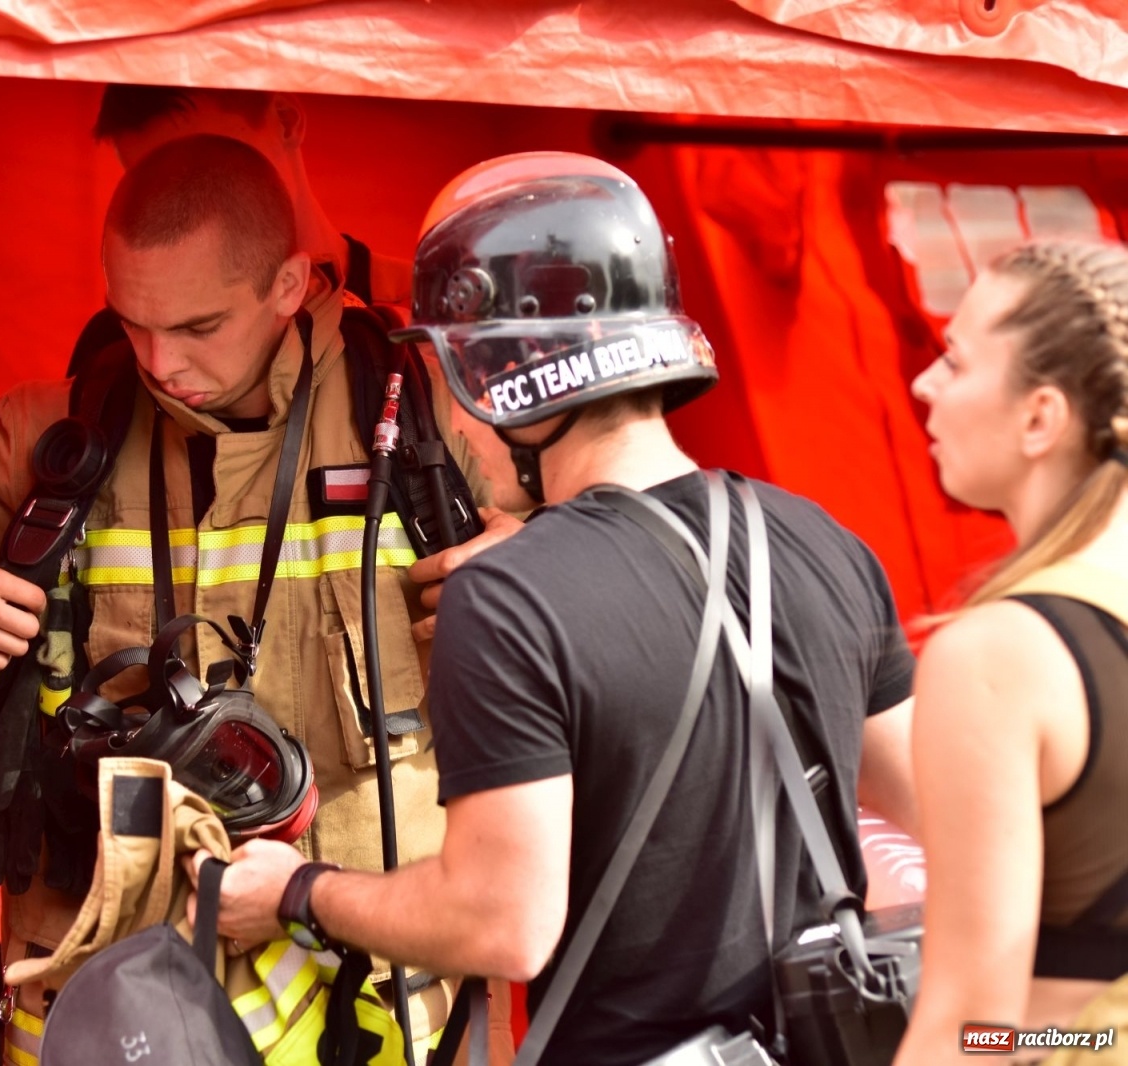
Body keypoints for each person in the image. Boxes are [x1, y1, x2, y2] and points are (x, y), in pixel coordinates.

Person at [203, 151, 920, 1065]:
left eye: (460, 387)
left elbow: (502, 922)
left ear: (513, 380)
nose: (459, 425)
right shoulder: (822, 540)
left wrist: (302, 889)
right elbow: (946, 811)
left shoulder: (509, 599)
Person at [0, 135, 493, 1061]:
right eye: (132, 324)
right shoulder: (54, 439)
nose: (160, 362)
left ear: (289, 287)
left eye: (199, 327)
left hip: (365, 1004)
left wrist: (534, 573)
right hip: (102, 1007)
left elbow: (636, 564)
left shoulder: (422, 426)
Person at [896, 240, 1128, 1066]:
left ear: (1041, 417)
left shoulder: (1000, 653)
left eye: (955, 361)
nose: (925, 383)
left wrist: (1082, 1039)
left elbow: (976, 1030)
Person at [92, 84, 410, 308]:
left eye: (211, 169)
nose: (185, 212)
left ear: (286, 121)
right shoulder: (130, 351)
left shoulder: (427, 313)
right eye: (152, 190)